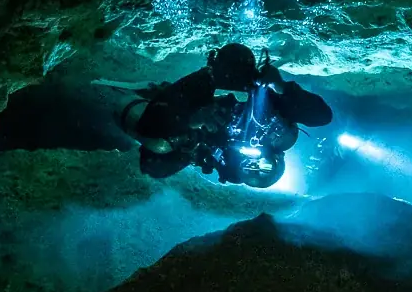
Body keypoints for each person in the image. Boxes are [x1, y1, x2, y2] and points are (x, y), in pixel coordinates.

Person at [125, 44, 332, 188]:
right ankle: (162, 96)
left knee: (158, 160)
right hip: (208, 95)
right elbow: (322, 116)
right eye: (264, 165)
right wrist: (281, 85)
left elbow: (159, 150)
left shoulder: (224, 152)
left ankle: (153, 97)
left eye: (252, 167)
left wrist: (193, 123)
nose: (255, 162)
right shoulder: (276, 110)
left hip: (191, 114)